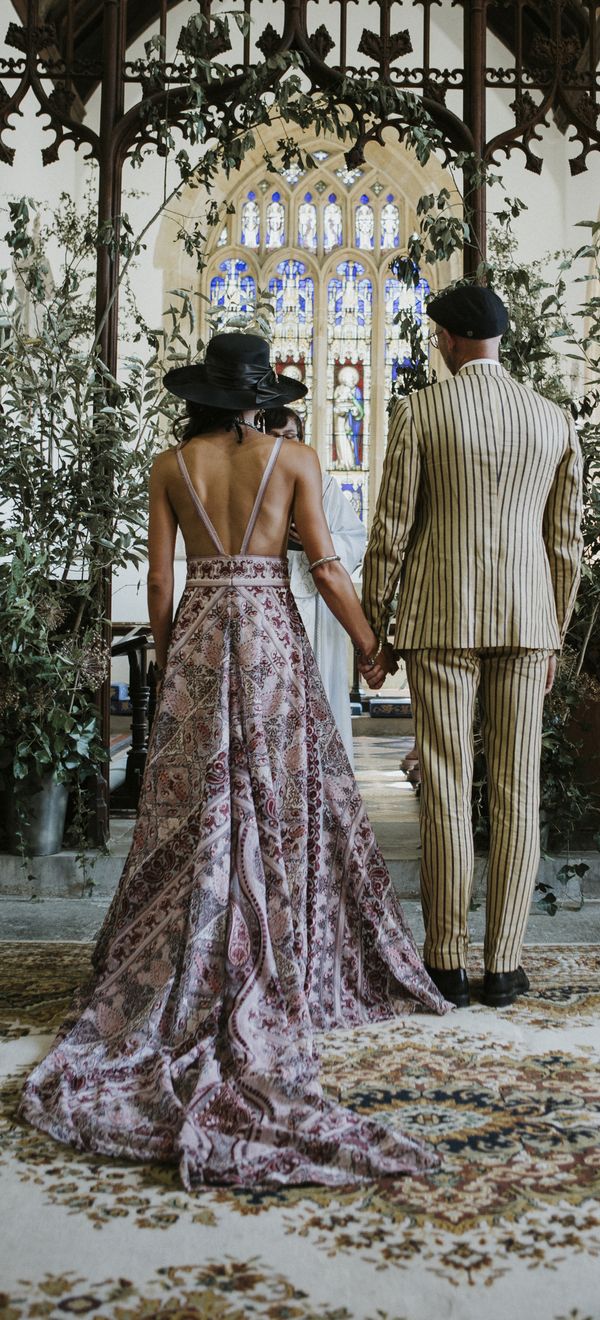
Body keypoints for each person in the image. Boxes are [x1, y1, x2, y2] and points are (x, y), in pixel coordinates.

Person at [19, 332, 448, 1191]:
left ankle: (196, 946)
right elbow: (323, 566)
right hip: (268, 637)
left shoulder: (171, 463)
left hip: (205, 636)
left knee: (198, 801)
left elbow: (158, 582)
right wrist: (371, 646)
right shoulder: (294, 458)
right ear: (261, 395)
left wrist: (176, 656)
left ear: (204, 396)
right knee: (275, 793)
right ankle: (279, 943)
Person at [361, 286, 583, 1010]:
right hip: (527, 622)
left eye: (438, 336)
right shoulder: (553, 420)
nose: (437, 346)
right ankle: (507, 966)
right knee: (518, 791)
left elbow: (392, 527)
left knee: (448, 787)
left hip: (439, 618)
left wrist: (376, 626)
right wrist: (554, 628)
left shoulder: (421, 411)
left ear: (453, 338)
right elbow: (565, 544)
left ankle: (447, 961)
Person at [264, 405, 365, 765]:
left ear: (302, 441)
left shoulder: (321, 484)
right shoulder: (253, 482)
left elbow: (355, 539)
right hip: (271, 592)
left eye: (289, 439)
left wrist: (316, 542)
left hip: (318, 597)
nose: (281, 448)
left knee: (322, 689)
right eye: (273, 440)